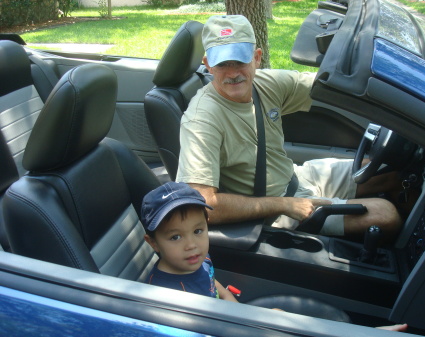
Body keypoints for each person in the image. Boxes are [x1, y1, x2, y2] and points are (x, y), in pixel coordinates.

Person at [176, 14, 403, 241]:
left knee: (391, 169)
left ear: (256, 58)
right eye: (223, 63)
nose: (233, 73)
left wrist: (400, 98)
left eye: (240, 61)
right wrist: (283, 204)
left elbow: (328, 88)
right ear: (208, 65)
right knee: (385, 214)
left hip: (298, 177)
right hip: (276, 212)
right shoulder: (201, 121)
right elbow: (202, 205)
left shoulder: (266, 85)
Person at [141, 182, 408, 332]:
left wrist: (242, 309)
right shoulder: (169, 295)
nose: (192, 245)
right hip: (220, 327)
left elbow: (216, 285)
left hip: (229, 318)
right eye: (175, 237)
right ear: (152, 243)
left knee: (283, 318)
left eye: (199, 231)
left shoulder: (197, 260)